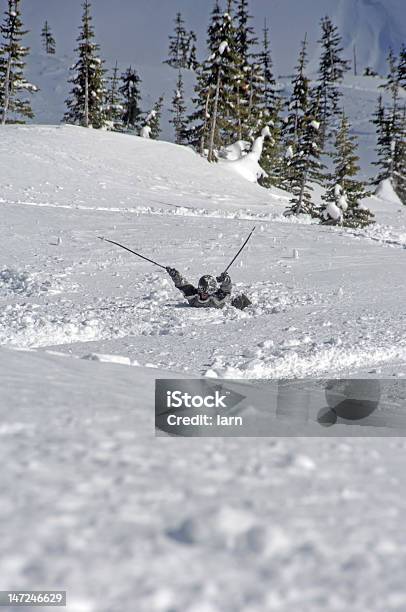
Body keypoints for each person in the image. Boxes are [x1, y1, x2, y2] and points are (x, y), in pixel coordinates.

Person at [166, 267, 252, 310]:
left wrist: (225, 280)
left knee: (242, 303)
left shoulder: (217, 298)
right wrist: (175, 275)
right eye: (202, 289)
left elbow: (227, 289)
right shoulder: (193, 295)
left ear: (213, 291)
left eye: (208, 291)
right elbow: (182, 284)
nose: (204, 293)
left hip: (233, 306)